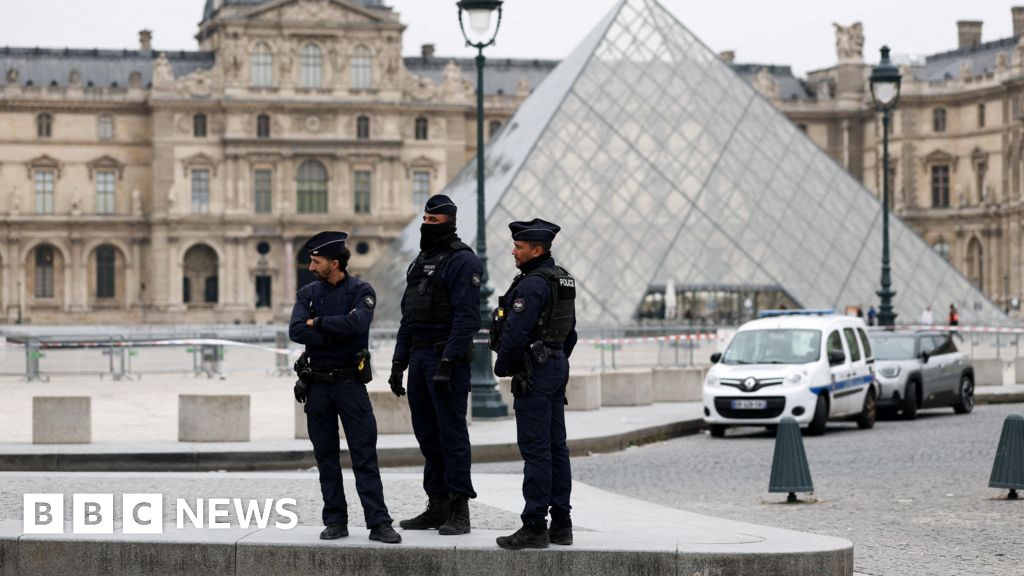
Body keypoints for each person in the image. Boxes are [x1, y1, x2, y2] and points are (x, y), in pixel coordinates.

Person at [289, 231, 401, 544]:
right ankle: (335, 520)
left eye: (316, 261)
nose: (310, 267)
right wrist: (335, 326)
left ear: (334, 263)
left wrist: (318, 323)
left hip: (350, 384)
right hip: (318, 385)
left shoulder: (361, 290)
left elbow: (357, 327)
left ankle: (379, 522)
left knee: (364, 456)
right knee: (325, 457)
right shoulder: (308, 293)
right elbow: (296, 330)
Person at [388, 194, 482, 535]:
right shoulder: (419, 261)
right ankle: (437, 503)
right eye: (424, 221)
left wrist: (448, 361)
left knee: (452, 436)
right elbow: (409, 315)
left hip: (446, 359)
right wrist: (399, 362)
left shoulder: (463, 261)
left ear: (450, 224)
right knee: (427, 436)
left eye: (433, 223)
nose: (426, 227)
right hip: (420, 358)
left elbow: (467, 319)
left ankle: (459, 509)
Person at [490, 219, 578, 550]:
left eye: (520, 247)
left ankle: (534, 526)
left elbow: (515, 333)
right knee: (557, 447)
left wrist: (505, 366)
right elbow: (571, 332)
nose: (514, 250)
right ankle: (562, 524)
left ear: (537, 250)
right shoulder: (563, 279)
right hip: (555, 365)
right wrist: (555, 357)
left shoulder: (531, 285)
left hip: (534, 372)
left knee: (537, 450)